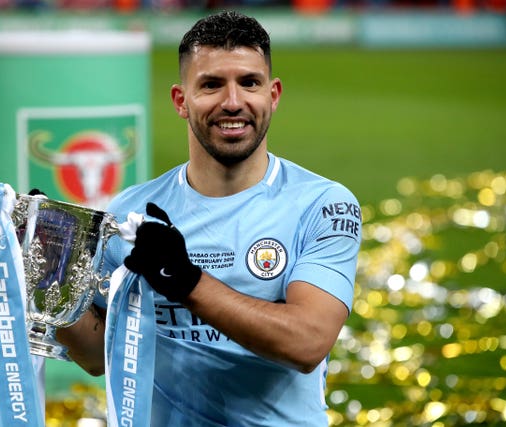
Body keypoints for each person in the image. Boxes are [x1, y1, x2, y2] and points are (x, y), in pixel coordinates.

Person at [57, 10, 362, 426]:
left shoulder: (323, 204)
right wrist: (51, 279)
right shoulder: (127, 212)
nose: (233, 102)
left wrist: (186, 281)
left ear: (273, 95)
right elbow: (96, 356)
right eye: (212, 85)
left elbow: (308, 343)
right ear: (181, 101)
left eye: (249, 83)